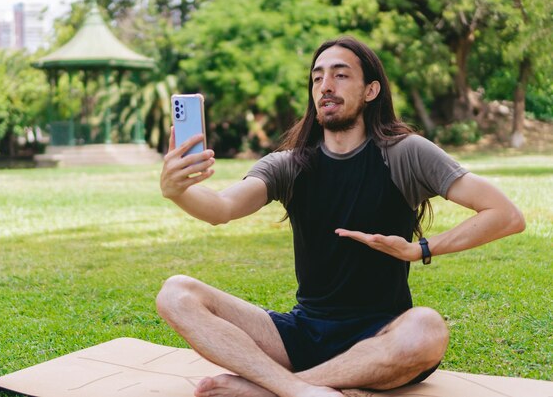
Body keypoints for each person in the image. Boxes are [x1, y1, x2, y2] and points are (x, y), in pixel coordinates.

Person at [157, 36, 525, 397]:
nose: (325, 86)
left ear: (371, 90)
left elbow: (505, 215)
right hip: (302, 333)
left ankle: (272, 388)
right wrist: (179, 191)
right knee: (176, 292)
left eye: (340, 75)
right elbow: (221, 208)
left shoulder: (404, 154)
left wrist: (420, 249)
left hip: (382, 335)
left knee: (427, 328)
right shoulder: (289, 165)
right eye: (317, 78)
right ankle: (296, 388)